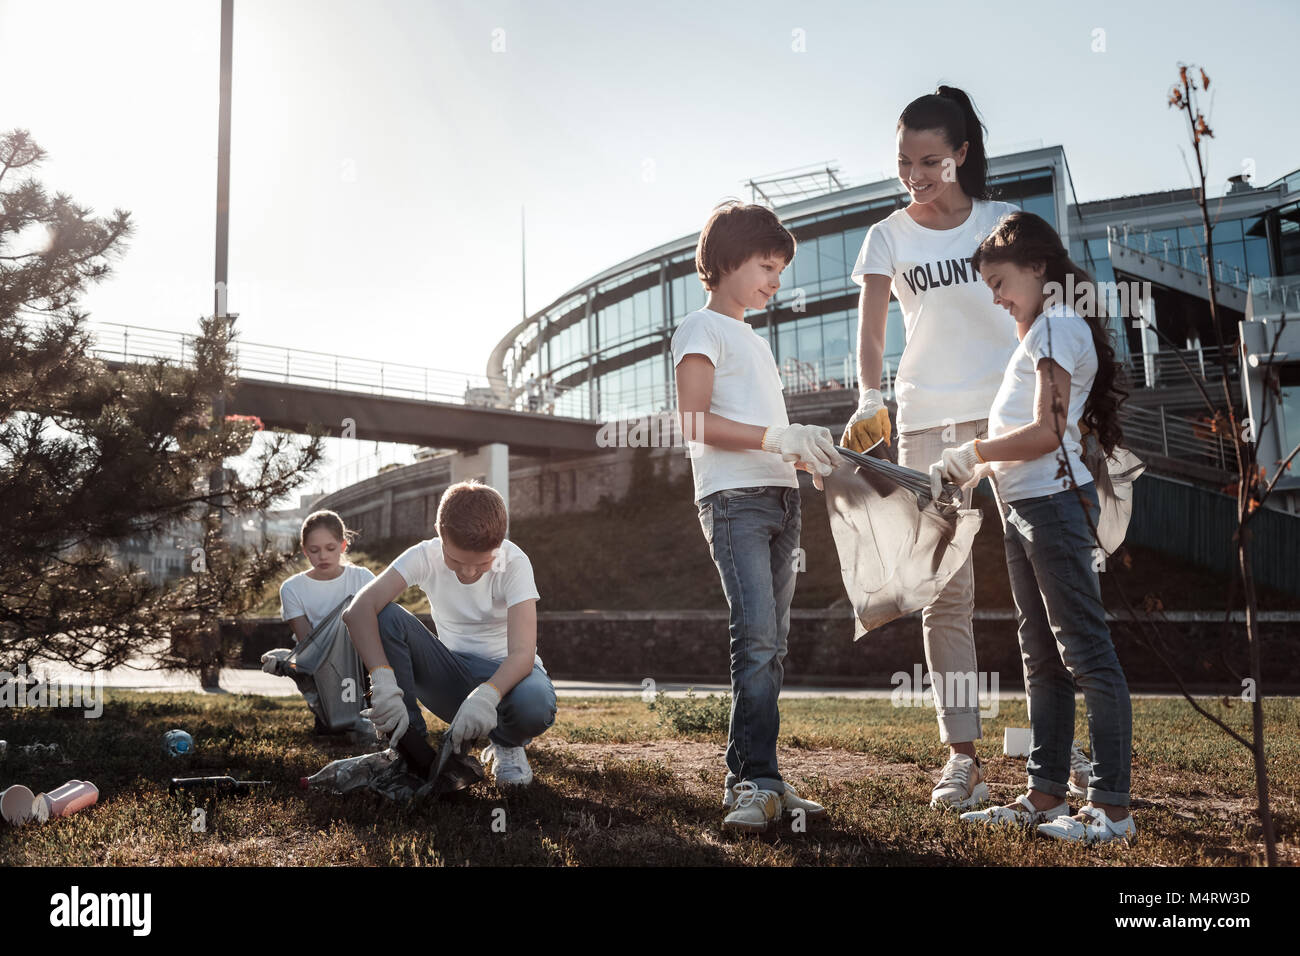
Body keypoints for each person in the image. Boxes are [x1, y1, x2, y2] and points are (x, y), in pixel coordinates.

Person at [841, 85, 1024, 810]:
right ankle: (964, 758)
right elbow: (873, 330)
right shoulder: (888, 235)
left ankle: (1060, 747)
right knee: (943, 595)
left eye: (929, 161)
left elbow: (1034, 314)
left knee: (1039, 580)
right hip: (924, 426)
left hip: (1006, 419)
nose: (914, 175)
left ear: (962, 155)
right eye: (903, 162)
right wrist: (868, 395)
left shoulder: (1003, 224)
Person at [932, 211, 1136, 844]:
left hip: (1052, 505)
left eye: (999, 283)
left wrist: (978, 452)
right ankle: (1045, 795)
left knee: (1085, 652)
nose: (995, 298)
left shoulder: (1055, 326)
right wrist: (982, 469)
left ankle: (1113, 811)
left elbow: (1049, 434)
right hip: (1024, 507)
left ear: (1038, 269)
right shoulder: (1038, 334)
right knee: (1042, 656)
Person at [672, 199, 844, 833]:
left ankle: (757, 775)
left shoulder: (758, 344)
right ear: (725, 262)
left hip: (781, 498)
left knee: (772, 648)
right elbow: (693, 422)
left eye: (780, 269)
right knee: (757, 639)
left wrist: (806, 456)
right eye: (768, 266)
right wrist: (777, 439)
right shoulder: (702, 327)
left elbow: (768, 430)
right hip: (734, 501)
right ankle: (755, 782)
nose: (777, 281)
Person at [342, 481, 555, 788]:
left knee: (535, 704)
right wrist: (382, 681)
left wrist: (487, 695)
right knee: (385, 614)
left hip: (508, 680)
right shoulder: (424, 556)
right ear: (438, 533)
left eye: (482, 563)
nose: (468, 573)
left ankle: (508, 745)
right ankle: (408, 747)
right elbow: (357, 611)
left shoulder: (514, 562)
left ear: (500, 543)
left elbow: (522, 655)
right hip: (450, 675)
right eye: (455, 561)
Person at [270, 511, 376, 735]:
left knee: (363, 728)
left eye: (330, 548)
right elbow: (308, 642)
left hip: (363, 657)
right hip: (320, 661)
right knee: (335, 727)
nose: (323, 556)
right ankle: (295, 670)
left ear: (343, 545)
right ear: (304, 551)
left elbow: (377, 628)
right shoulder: (292, 588)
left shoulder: (363, 578)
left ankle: (289, 666)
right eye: (314, 551)